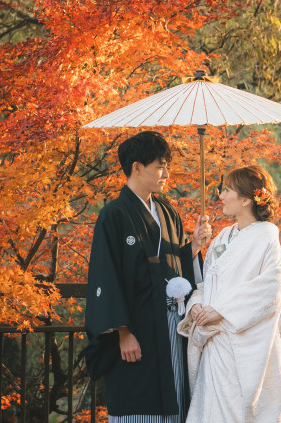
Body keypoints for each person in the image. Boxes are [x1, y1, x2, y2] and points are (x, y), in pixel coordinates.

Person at [84, 131, 212, 423]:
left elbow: (173, 266)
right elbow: (105, 275)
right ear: (137, 167)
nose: (166, 172)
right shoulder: (113, 215)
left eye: (166, 165)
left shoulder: (167, 212)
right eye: (159, 165)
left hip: (170, 324)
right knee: (138, 401)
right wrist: (122, 332)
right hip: (135, 326)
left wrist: (193, 247)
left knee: (174, 399)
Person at [177, 163, 281, 423]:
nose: (220, 195)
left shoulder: (267, 238)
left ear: (246, 199)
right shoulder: (222, 238)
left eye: (227, 190)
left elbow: (270, 291)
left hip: (246, 341)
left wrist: (220, 310)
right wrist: (196, 306)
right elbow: (206, 286)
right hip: (215, 342)